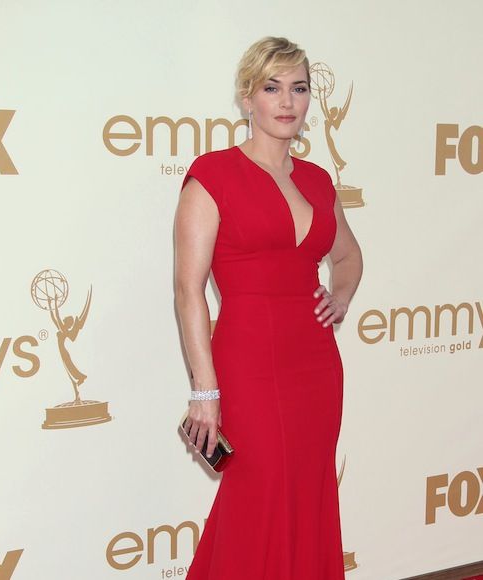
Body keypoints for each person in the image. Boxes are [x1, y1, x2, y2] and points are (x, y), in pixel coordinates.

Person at [173, 36, 363, 580]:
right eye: (272, 87)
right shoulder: (212, 176)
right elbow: (189, 290)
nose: (287, 101)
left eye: (299, 88)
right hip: (249, 364)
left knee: (309, 489)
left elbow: (347, 256)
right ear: (247, 97)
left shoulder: (317, 180)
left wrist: (341, 295)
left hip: (316, 365)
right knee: (257, 494)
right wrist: (205, 393)